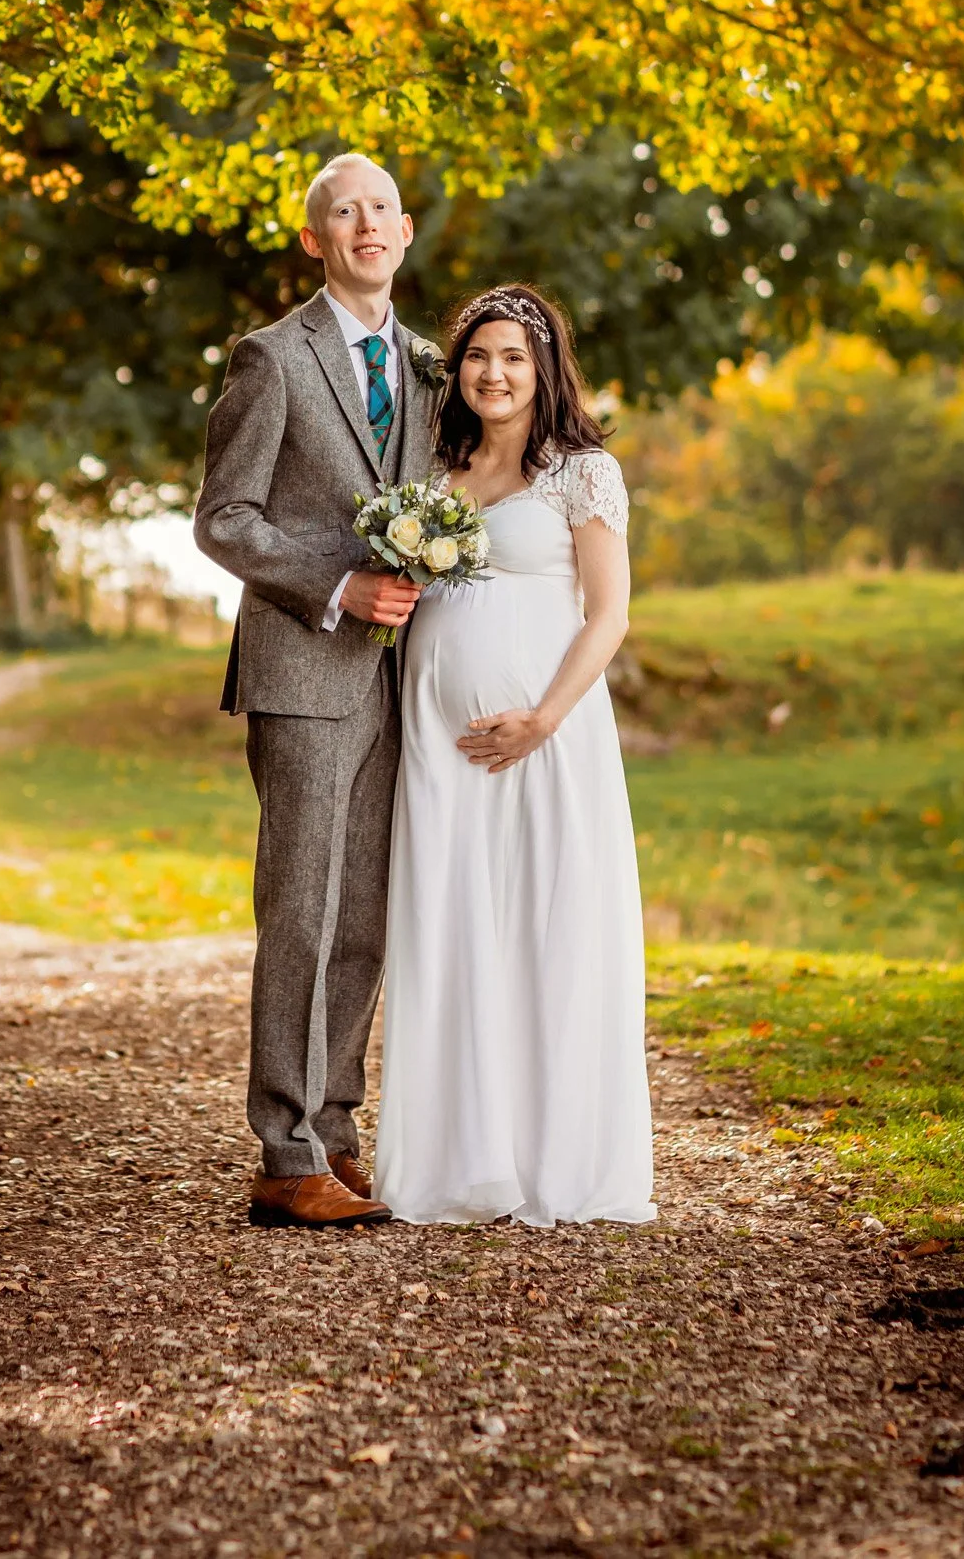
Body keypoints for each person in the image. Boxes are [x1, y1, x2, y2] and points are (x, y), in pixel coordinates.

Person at [373, 282, 656, 1228]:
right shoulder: (431, 472)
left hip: (547, 741)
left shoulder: (581, 471)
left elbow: (609, 612)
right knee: (452, 928)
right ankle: (461, 1163)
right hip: (438, 748)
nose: (493, 374)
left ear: (543, 372)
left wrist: (542, 719)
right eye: (478, 357)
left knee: (548, 927)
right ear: (455, 372)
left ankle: (557, 1161)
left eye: (514, 358)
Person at [193, 154, 436, 1228]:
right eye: (343, 211)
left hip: (405, 680)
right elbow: (224, 517)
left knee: (367, 918)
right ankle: (281, 1148)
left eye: (379, 207)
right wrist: (334, 581)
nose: (364, 224)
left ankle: (335, 1130)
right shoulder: (270, 358)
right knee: (300, 907)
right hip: (302, 665)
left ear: (405, 230)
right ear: (315, 240)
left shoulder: (432, 368)